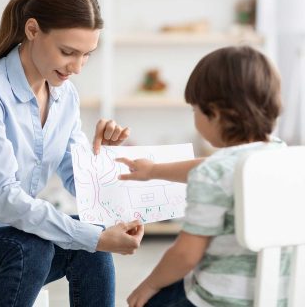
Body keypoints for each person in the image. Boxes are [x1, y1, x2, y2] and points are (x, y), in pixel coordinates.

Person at [0, 0, 144, 307]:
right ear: (33, 30)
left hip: (14, 243)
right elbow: (2, 198)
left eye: (86, 55)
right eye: (68, 52)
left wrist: (101, 157)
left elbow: (76, 178)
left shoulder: (65, 95)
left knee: (87, 245)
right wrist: (93, 236)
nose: (77, 67)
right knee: (38, 245)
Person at [116, 45, 288, 307]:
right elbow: (212, 167)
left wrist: (149, 284)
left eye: (194, 109)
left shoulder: (214, 173)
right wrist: (153, 171)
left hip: (220, 299)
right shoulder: (278, 154)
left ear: (216, 114)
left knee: (149, 299)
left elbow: (185, 256)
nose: (194, 116)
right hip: (278, 295)